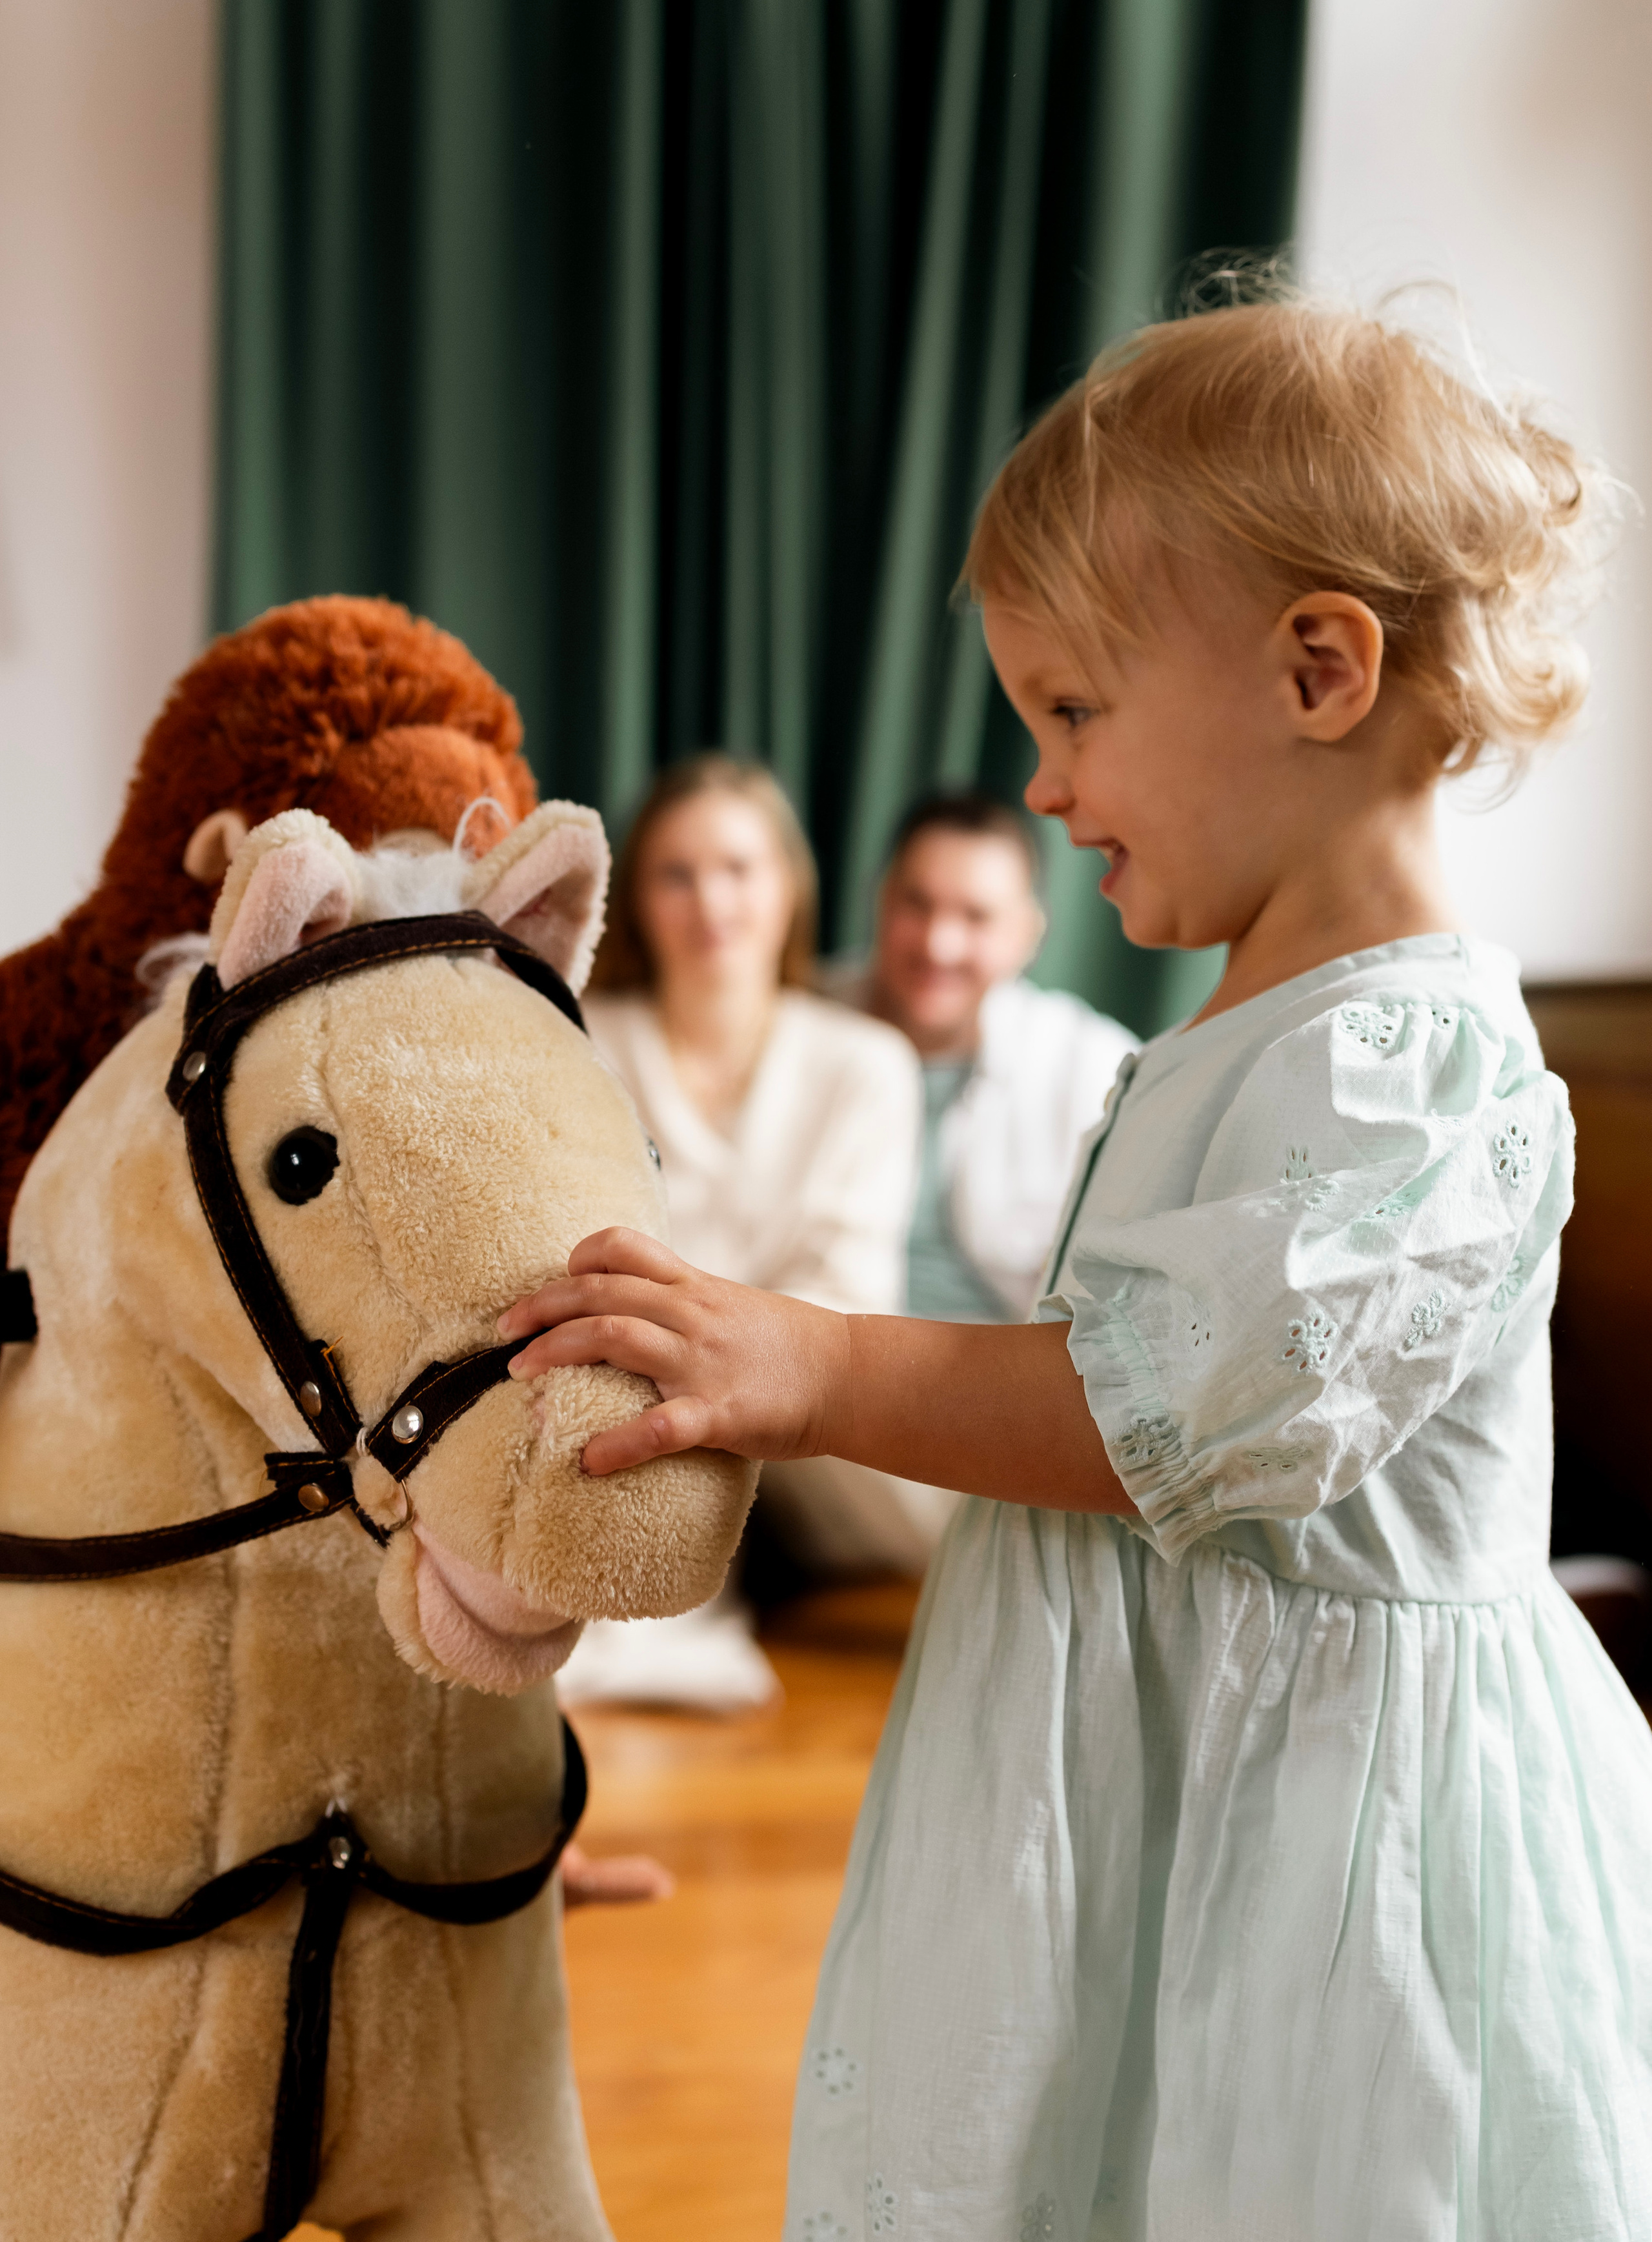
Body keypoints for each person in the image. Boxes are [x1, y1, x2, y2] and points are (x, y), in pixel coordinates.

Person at [501, 292, 1652, 2233]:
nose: (1039, 786)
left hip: (1310, 1855)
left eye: (1073, 712)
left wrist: (819, 1367)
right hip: (1171, 1788)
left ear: (1315, 672)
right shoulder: (1248, 1027)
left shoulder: (1417, 1057)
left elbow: (1181, 1407)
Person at [556, 754, 921, 1709]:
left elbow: (848, 1290)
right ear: (636, 898)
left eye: (737, 869)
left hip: (812, 1407)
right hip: (621, 1387)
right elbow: (565, 1260)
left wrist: (734, 1360)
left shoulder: (867, 1064)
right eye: (676, 873)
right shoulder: (581, 1040)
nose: (709, 899)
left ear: (789, 886)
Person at [834, 791, 1138, 1322]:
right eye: (917, 903)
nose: (939, 944)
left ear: (1029, 933)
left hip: (989, 1383)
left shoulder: (1094, 1067)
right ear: (879, 901)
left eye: (976, 917)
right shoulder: (800, 1020)